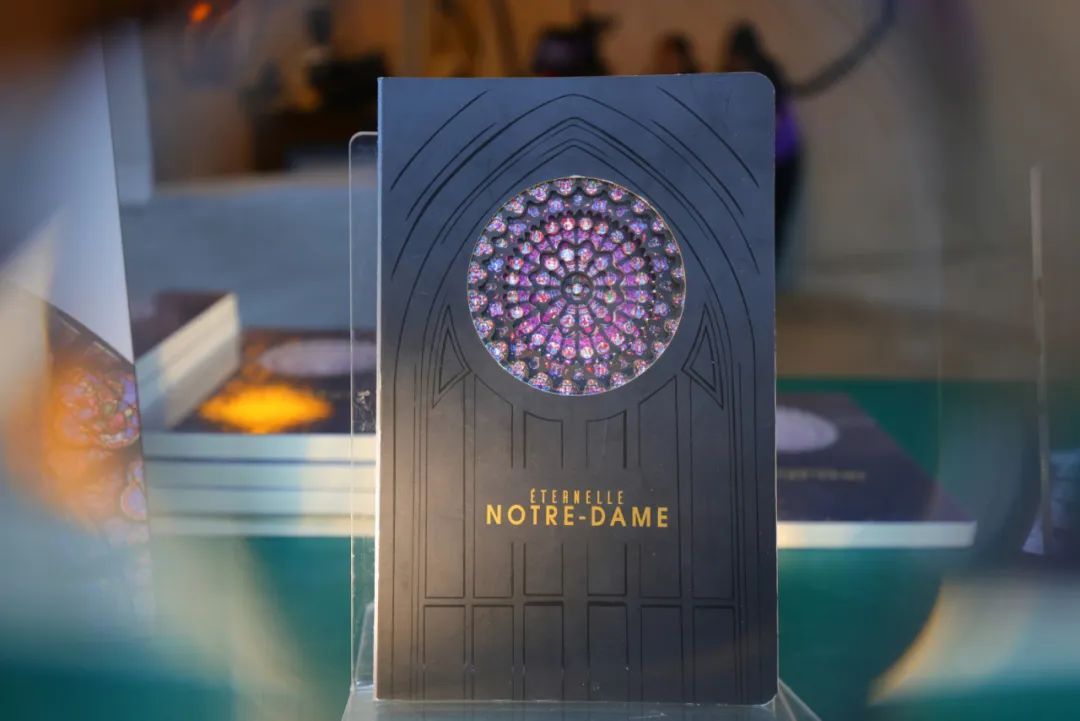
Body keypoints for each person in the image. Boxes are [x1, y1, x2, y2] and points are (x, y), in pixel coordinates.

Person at [722, 22, 802, 271]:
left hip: (777, 158)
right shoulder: (755, 75)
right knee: (764, 222)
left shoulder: (763, 75)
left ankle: (764, 276)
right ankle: (762, 275)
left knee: (770, 221)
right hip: (772, 159)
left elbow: (772, 121)